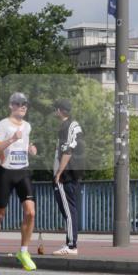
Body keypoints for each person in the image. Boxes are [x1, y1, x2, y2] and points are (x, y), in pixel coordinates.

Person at [0, 92, 39, 272]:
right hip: (5, 172)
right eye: (19, 103)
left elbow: (24, 145)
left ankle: (23, 251)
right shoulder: (2, 125)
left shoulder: (28, 126)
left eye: (25, 104)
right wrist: (11, 139)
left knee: (30, 212)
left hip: (22, 171)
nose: (23, 107)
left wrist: (30, 149)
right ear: (11, 106)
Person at [52, 99, 83, 255]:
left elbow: (67, 151)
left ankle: (71, 245)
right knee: (72, 209)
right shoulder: (75, 125)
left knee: (69, 210)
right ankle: (71, 243)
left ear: (59, 110)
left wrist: (58, 173)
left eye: (55, 110)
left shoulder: (66, 127)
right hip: (75, 172)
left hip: (66, 174)